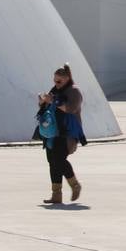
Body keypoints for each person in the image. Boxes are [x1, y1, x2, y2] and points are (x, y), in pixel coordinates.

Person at [37, 63, 86, 205]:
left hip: (67, 133)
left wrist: (52, 100)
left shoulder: (74, 92)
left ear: (67, 79)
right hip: (52, 131)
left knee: (59, 160)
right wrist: (42, 103)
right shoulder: (54, 90)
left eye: (59, 81)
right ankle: (56, 194)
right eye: (54, 80)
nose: (56, 84)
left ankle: (75, 185)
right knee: (52, 162)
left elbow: (70, 108)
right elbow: (48, 107)